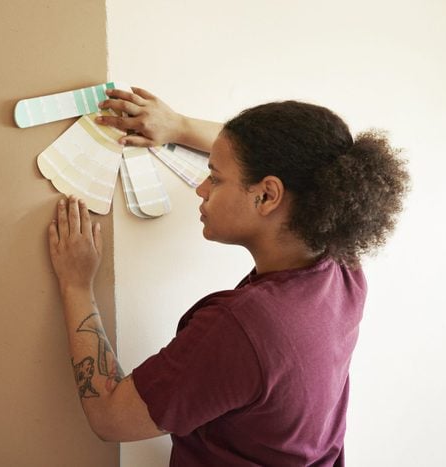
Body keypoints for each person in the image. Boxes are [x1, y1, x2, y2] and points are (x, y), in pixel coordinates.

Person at [47, 87, 410, 466]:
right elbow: (297, 160)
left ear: (268, 196)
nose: (201, 190)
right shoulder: (342, 263)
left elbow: (112, 417)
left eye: (216, 179)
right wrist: (180, 127)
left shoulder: (242, 327)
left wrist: (76, 284)